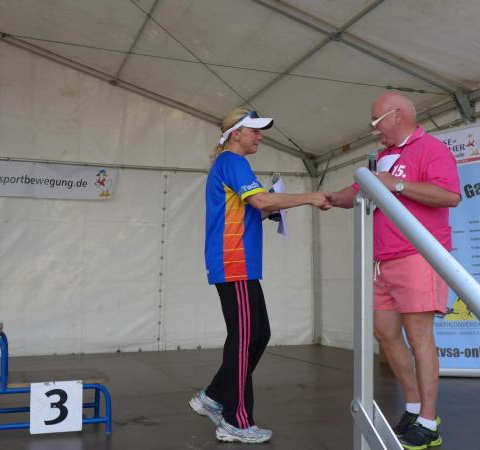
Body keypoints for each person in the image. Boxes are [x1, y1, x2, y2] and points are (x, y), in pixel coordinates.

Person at [189, 106, 332, 444]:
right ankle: (235, 421)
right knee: (244, 338)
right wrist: (311, 196)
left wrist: (271, 207)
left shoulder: (232, 163)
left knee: (258, 334)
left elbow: (254, 207)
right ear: (235, 133)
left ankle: (214, 397)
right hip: (233, 261)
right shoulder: (233, 161)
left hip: (239, 263)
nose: (260, 136)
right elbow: (261, 202)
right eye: (254, 130)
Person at [328, 92, 460, 450]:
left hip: (417, 255)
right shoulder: (383, 157)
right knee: (385, 333)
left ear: (398, 116)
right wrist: (326, 199)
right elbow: (356, 192)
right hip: (382, 260)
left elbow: (449, 195)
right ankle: (414, 407)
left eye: (377, 121)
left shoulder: (430, 149)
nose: (374, 130)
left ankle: (429, 422)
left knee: (419, 336)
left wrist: (397, 185)